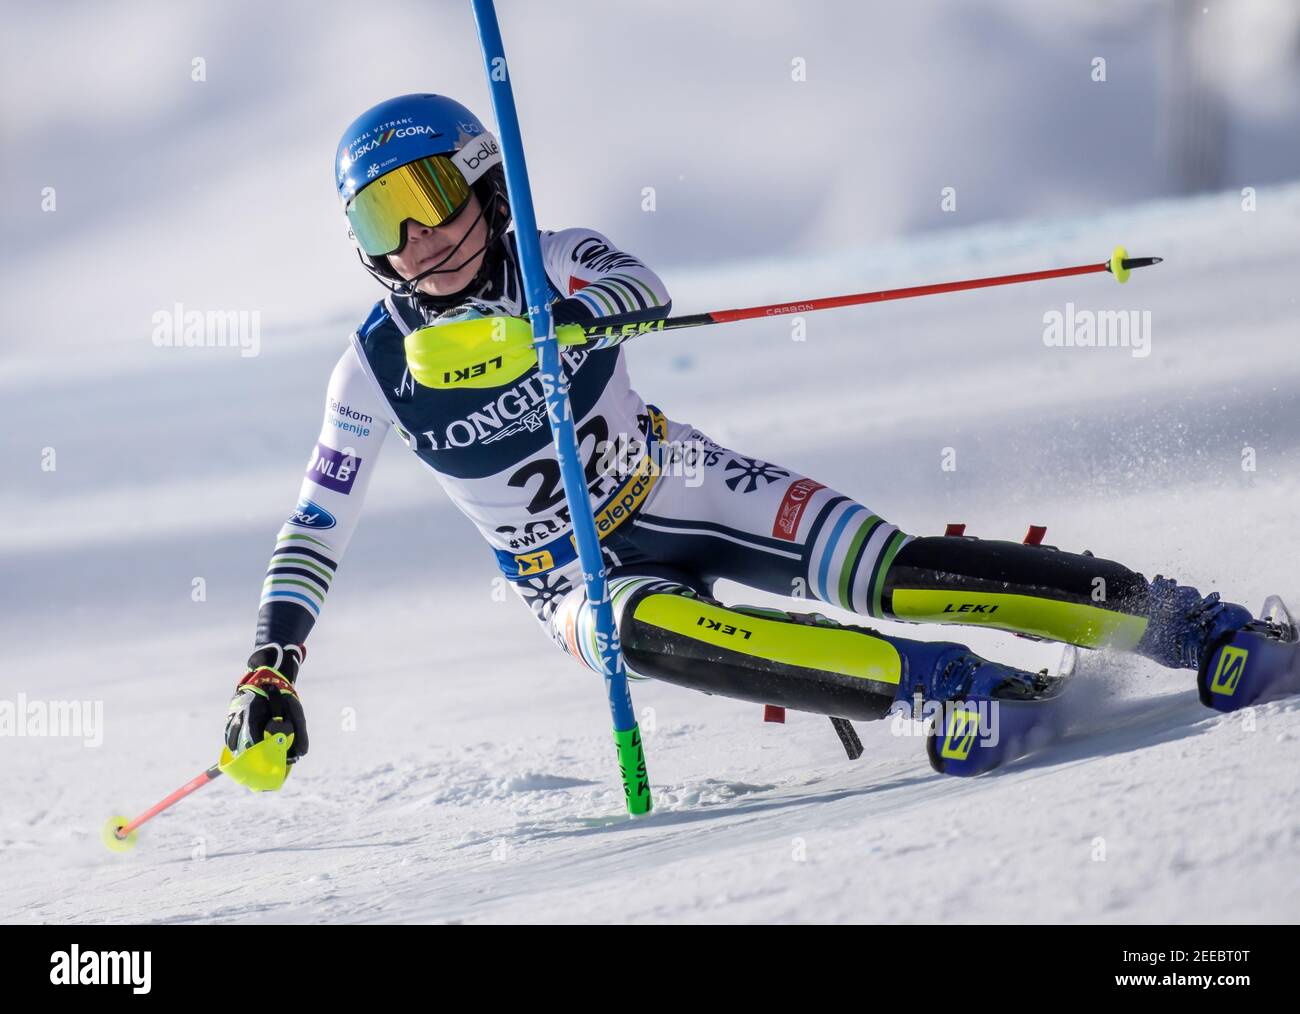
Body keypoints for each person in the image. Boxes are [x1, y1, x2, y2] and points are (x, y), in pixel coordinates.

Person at [222, 93, 1270, 773]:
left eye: (430, 199)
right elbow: (316, 526)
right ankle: (953, 688)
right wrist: (272, 667)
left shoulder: (554, 261)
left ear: (485, 183)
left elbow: (640, 286)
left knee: (887, 572)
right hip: (568, 573)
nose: (416, 241)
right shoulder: (369, 372)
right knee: (636, 640)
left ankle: (1197, 626)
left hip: (680, 481)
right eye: (379, 224)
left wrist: (552, 330)